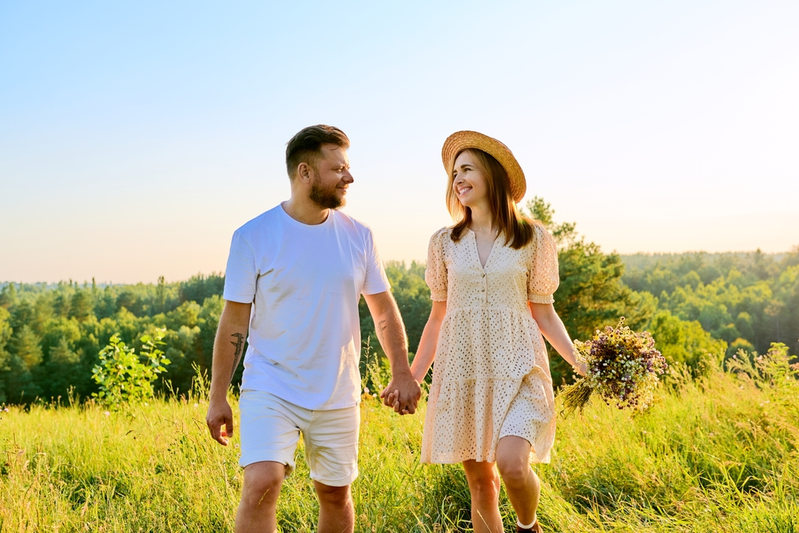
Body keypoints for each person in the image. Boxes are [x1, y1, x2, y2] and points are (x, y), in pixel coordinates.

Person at [206, 124, 421, 533]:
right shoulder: (253, 237)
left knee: (335, 494)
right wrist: (218, 396)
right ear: (305, 173)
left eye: (348, 167)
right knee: (262, 483)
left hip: (338, 389)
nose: (349, 177)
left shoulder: (359, 237)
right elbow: (234, 321)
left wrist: (402, 371)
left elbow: (384, 312)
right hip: (271, 384)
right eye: (338, 168)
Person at [388, 131, 586, 533]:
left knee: (513, 465)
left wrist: (581, 362)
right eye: (454, 173)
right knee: (481, 484)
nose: (458, 179)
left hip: (519, 367)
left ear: (492, 176)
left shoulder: (533, 238)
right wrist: (411, 374)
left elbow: (545, 314)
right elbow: (437, 317)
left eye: (467, 169)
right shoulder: (444, 242)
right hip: (465, 369)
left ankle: (528, 526)